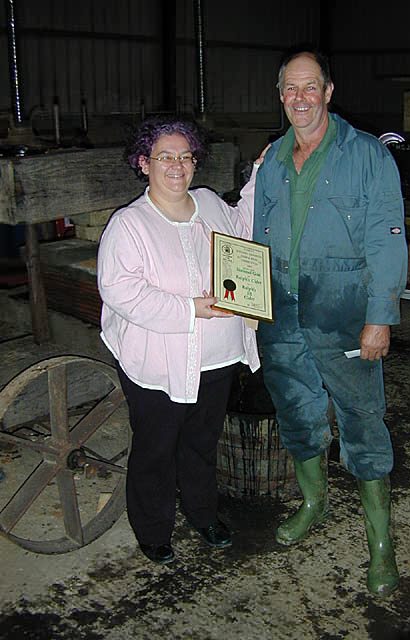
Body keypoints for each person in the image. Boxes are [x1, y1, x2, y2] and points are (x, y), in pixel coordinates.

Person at [253, 48, 408, 596]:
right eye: (290, 89)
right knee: (296, 412)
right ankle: (314, 502)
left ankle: (381, 545)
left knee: (363, 421)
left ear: (328, 92)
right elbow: (256, 237)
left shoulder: (366, 154)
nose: (299, 98)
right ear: (281, 95)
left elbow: (387, 237)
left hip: (343, 312)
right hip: (281, 312)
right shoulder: (272, 159)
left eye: (309, 87)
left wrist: (380, 317)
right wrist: (250, 300)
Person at [97, 116, 266, 564]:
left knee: (201, 442)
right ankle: (153, 529)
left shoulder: (210, 203)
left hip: (216, 357)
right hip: (158, 363)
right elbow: (121, 292)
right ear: (143, 163)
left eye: (185, 156)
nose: (177, 165)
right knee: (156, 448)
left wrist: (258, 178)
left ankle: (202, 512)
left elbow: (243, 228)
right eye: (165, 157)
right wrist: (191, 307)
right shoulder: (129, 225)